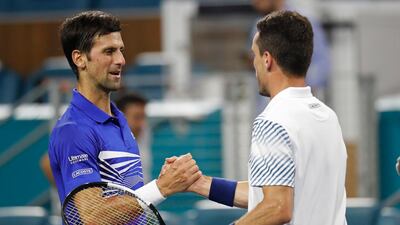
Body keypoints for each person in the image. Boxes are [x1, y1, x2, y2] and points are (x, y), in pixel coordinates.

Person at [182, 10, 347, 225]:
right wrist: (201, 184)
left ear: (267, 59)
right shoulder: (327, 117)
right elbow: (271, 192)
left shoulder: (273, 120)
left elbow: (278, 206)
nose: (254, 64)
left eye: (255, 56)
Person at [48, 10, 201, 217]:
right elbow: (92, 216)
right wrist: (161, 187)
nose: (121, 60)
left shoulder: (121, 121)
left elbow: (129, 201)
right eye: (109, 51)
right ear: (80, 59)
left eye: (121, 50)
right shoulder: (74, 130)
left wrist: (163, 180)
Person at [250, 0, 331, 115]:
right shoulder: (257, 27)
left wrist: (295, 90)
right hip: (267, 111)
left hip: (301, 113)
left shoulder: (304, 22)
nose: (254, 2)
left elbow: (322, 66)